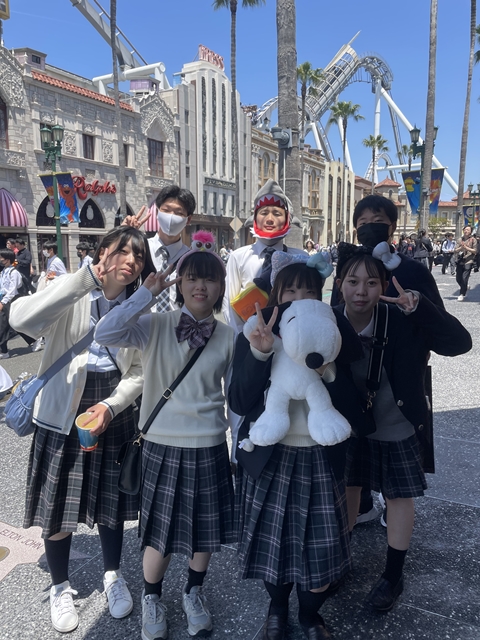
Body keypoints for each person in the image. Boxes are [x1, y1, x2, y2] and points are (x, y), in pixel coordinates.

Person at [9, 227, 154, 634]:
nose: (130, 261)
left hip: (113, 409)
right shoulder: (69, 291)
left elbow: (140, 369)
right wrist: (83, 280)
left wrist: (112, 405)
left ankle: (112, 575)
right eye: (122, 251)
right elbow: (20, 319)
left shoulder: (140, 307)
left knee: (112, 500)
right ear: (102, 252)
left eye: (138, 256)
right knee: (58, 503)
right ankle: (60, 586)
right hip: (61, 411)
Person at [95, 232, 235, 640]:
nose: (200, 286)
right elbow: (105, 332)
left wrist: (240, 446)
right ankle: (151, 597)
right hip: (160, 443)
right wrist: (145, 294)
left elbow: (236, 398)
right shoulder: (154, 325)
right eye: (192, 277)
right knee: (159, 532)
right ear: (180, 283)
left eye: (209, 279)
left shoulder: (229, 336)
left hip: (209, 443)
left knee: (204, 530)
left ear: (220, 287)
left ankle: (193, 592)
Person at [334, 244, 471, 612]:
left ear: (383, 287)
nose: (361, 291)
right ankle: (341, 559)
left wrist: (419, 307)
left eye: (371, 283)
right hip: (350, 425)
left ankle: (393, 575)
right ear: (339, 283)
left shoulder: (401, 317)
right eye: (352, 281)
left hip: (395, 422)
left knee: (397, 496)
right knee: (348, 489)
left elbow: (460, 344)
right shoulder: (327, 320)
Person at [229, 253, 357, 640]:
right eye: (290, 291)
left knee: (321, 547)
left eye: (309, 291)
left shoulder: (334, 336)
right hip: (272, 457)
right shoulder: (255, 333)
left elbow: (356, 406)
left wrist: (326, 368)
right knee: (274, 546)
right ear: (276, 295)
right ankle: (278, 609)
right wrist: (260, 352)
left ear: (321, 297)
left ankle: (310, 616)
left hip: (320, 457)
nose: (299, 298)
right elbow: (239, 401)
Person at [223, 178, 305, 334]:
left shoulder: (301, 258)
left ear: (288, 219)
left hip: (291, 336)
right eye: (264, 213)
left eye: (277, 213)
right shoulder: (238, 257)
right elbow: (228, 304)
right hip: (249, 335)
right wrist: (243, 338)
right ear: (254, 218)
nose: (270, 219)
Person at [147, 185, 196, 313]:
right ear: (157, 213)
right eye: (166, 210)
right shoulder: (141, 250)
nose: (171, 217)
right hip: (142, 323)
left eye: (179, 213)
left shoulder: (191, 259)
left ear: (188, 219)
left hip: (177, 323)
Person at [0, 248, 39, 358]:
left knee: (6, 325)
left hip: (11, 300)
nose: (0, 260)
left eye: (1, 258)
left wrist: (3, 302)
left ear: (7, 259)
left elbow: (12, 290)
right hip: (4, 299)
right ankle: (33, 340)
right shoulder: (3, 272)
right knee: (14, 324)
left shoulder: (14, 273)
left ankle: (4, 351)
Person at [454, 225, 477, 301]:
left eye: (468, 230)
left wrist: (466, 248)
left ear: (470, 231)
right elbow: (455, 250)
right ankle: (465, 286)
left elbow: (475, 251)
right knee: (458, 278)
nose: (466, 231)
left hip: (469, 260)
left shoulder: (473, 240)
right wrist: (461, 247)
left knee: (464, 278)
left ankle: (462, 294)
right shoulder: (460, 239)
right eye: (465, 229)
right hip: (460, 260)